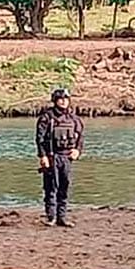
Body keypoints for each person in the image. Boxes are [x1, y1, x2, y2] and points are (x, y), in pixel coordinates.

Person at [35, 87, 84, 228]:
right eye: (60, 99)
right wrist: (42, 156)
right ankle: (51, 217)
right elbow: (40, 138)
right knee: (50, 187)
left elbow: (80, 137)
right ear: (55, 101)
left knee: (65, 186)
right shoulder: (47, 117)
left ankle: (62, 217)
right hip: (52, 156)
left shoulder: (74, 118)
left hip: (66, 157)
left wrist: (77, 150)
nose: (63, 102)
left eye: (66, 99)